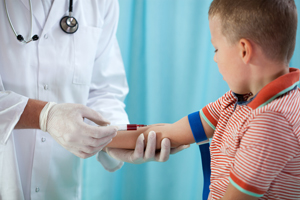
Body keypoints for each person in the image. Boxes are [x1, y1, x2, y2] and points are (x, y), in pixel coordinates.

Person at [104, 0, 300, 199]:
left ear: (244, 51)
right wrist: (98, 138)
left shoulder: (270, 124)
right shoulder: (237, 100)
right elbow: (168, 132)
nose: (215, 58)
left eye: (216, 49)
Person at [0, 1, 188, 199]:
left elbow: (103, 90)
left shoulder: (100, 3)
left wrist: (116, 141)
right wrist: (44, 116)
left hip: (58, 186)